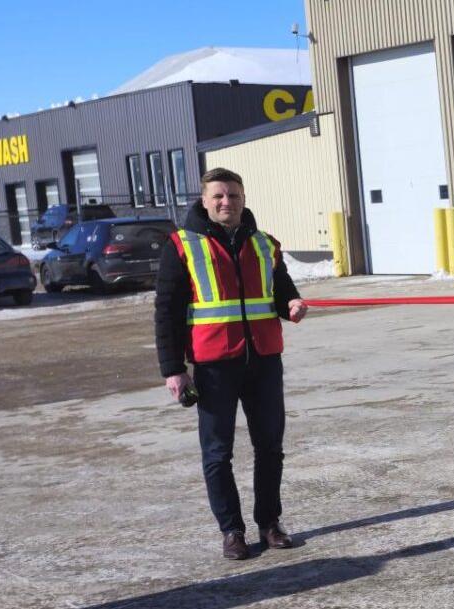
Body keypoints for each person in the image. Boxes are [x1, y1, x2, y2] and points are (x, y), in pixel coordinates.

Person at [155, 168, 308, 559]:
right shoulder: (181, 245)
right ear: (204, 201)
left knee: (270, 447)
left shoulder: (264, 244)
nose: (227, 202)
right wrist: (173, 368)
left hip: (263, 360)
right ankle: (232, 531)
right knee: (218, 452)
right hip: (214, 365)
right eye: (219, 196)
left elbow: (281, 288)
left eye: (234, 196)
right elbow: (167, 311)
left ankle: (270, 523)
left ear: (243, 198)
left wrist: (290, 302)